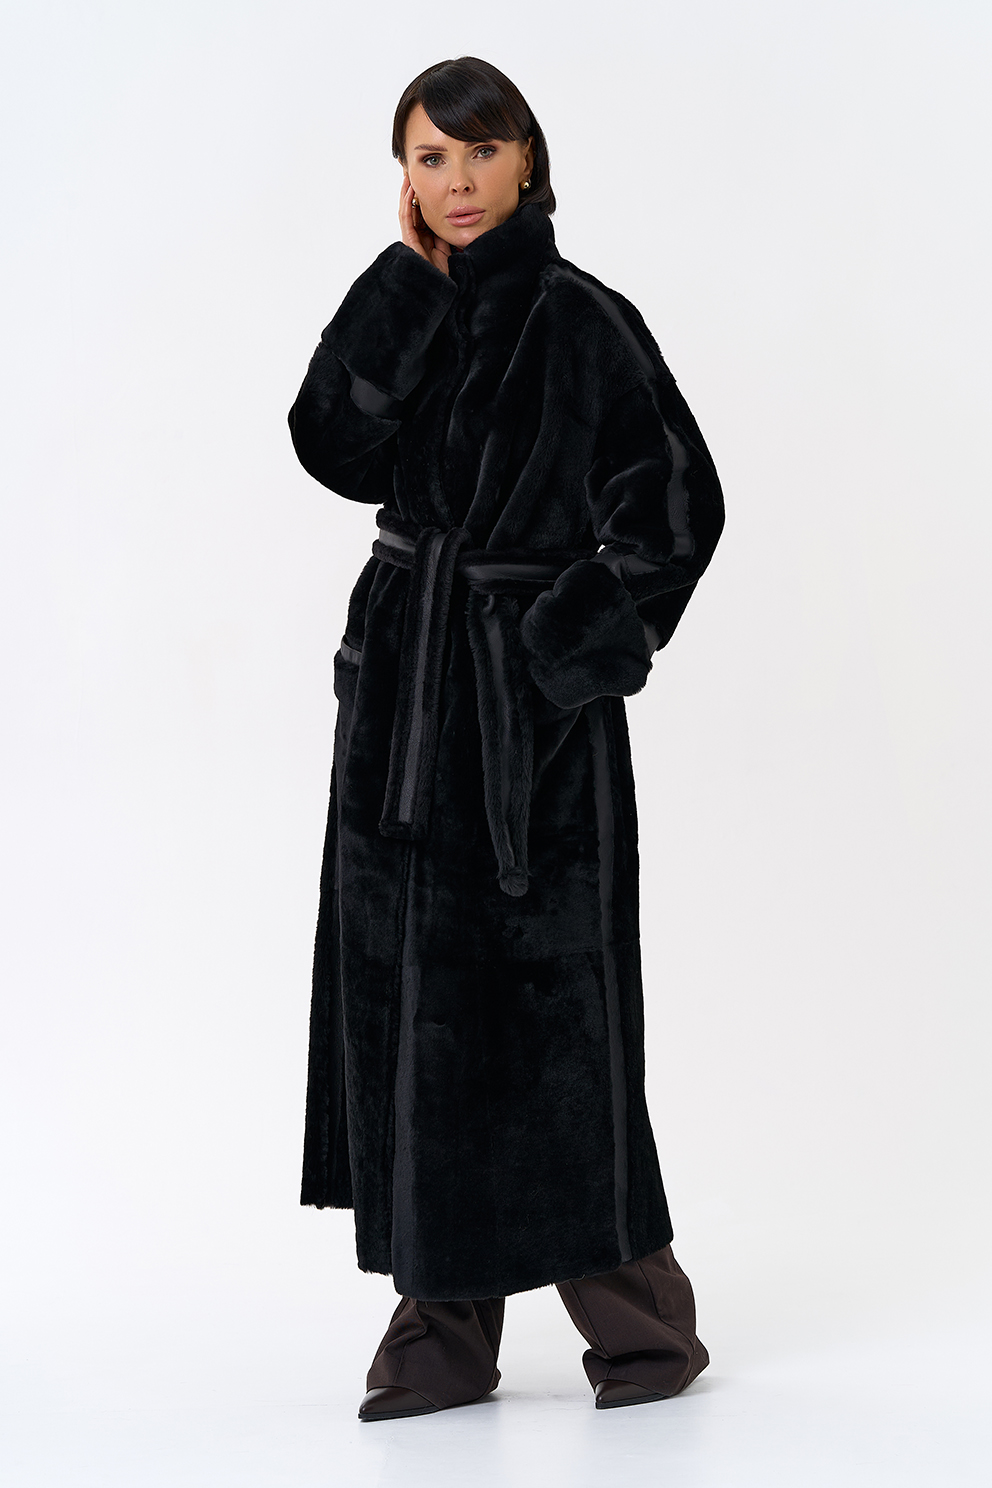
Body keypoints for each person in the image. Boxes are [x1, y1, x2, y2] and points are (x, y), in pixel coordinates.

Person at [288, 56, 725, 1422]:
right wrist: (403, 289)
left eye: (479, 152)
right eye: (429, 158)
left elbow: (677, 511)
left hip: (523, 726)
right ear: (405, 179)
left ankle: (640, 1329)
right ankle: (440, 1333)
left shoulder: (587, 321)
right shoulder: (414, 307)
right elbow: (329, 444)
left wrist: (550, 661)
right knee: (411, 1010)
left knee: (551, 1019)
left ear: (527, 158)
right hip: (400, 707)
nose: (457, 181)